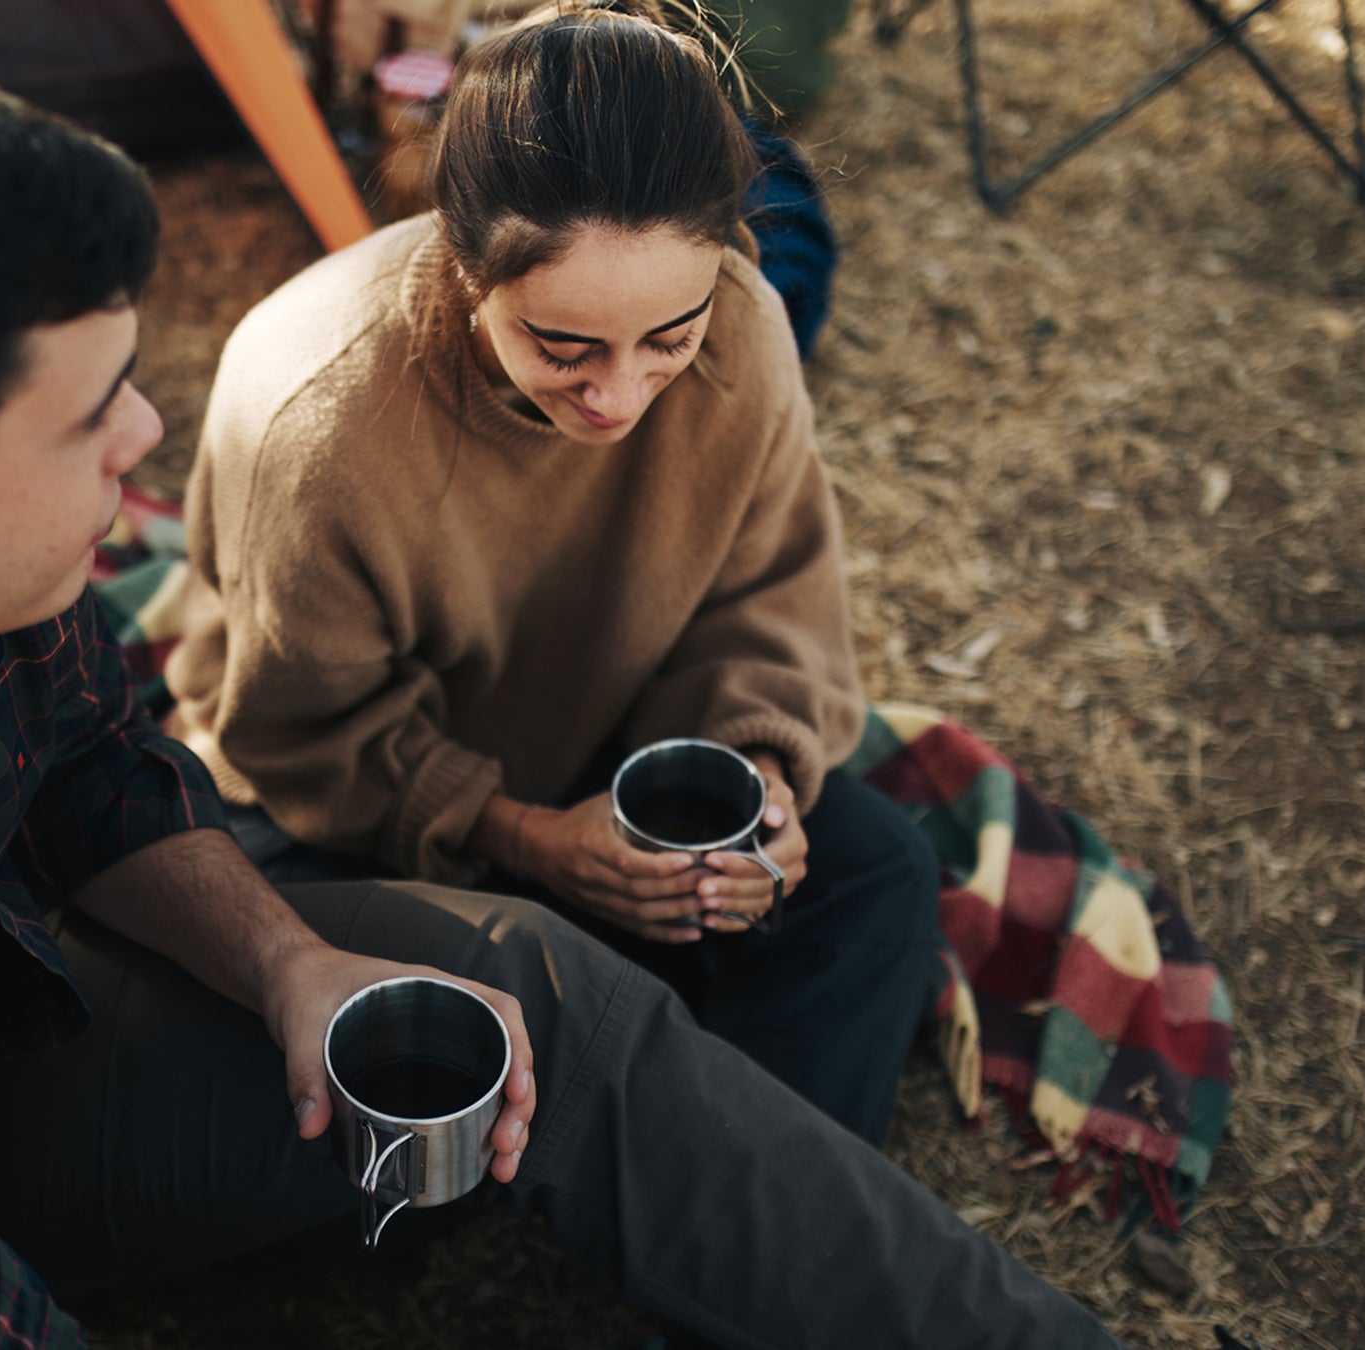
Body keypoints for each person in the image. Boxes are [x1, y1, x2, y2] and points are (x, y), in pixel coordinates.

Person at [0, 30, 1117, 1349]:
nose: (152, 442)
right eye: (95, 421)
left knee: (530, 989)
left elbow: (93, 767)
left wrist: (286, 965)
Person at [167, 0, 940, 1148]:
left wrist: (757, 791)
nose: (620, 399)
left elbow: (766, 600)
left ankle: (750, 1246)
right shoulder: (318, 418)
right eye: (562, 348)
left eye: (666, 341)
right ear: (465, 263)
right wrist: (528, 839)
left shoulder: (745, 325)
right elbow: (300, 738)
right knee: (500, 1007)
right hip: (357, 816)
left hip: (604, 756)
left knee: (877, 880)